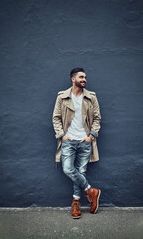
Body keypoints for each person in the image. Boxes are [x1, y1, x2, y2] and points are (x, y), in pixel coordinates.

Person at [52, 67, 101, 219]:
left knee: (81, 172)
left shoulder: (91, 97)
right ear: (73, 79)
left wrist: (91, 136)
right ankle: (91, 191)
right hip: (69, 140)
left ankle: (76, 203)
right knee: (68, 169)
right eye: (81, 77)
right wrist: (62, 135)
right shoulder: (62, 97)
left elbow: (97, 118)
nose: (84, 79)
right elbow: (56, 117)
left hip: (85, 140)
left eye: (85, 77)